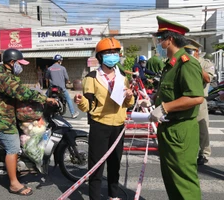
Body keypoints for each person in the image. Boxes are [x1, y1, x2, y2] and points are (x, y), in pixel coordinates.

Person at [140, 16, 204, 200]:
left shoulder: (186, 63)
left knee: (183, 181)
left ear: (171, 39)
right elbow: (172, 92)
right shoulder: (171, 65)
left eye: (161, 38)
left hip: (181, 130)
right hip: (169, 129)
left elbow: (195, 97)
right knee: (171, 179)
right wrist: (153, 100)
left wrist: (165, 107)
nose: (159, 43)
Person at [0, 48, 56, 196]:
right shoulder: (3, 78)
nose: (21, 66)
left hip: (8, 116)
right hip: (1, 120)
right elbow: (21, 93)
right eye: (19, 63)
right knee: (13, 148)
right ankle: (14, 184)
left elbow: (21, 89)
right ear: (11, 62)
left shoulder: (8, 76)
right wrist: (44, 98)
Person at [74, 37, 134, 200]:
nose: (112, 55)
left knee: (115, 165)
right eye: (108, 53)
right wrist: (80, 102)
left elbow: (128, 103)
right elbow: (89, 105)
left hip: (119, 126)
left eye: (115, 52)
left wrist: (129, 96)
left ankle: (113, 196)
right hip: (100, 126)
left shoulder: (122, 76)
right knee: (97, 167)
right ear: (100, 56)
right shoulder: (92, 78)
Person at [185, 38, 215, 165]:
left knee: (202, 128)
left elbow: (208, 78)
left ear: (197, 51)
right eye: (186, 50)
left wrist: (195, 63)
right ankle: (188, 151)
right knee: (186, 126)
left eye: (190, 51)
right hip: (185, 98)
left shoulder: (206, 64)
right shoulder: (184, 62)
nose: (187, 53)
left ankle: (204, 153)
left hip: (199, 99)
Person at [46, 54, 79, 118]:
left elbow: (47, 77)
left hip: (52, 88)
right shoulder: (62, 68)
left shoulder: (49, 69)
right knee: (68, 99)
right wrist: (68, 81)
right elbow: (66, 77)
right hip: (61, 88)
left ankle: (42, 112)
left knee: (44, 97)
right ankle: (73, 113)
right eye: (61, 60)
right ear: (59, 61)